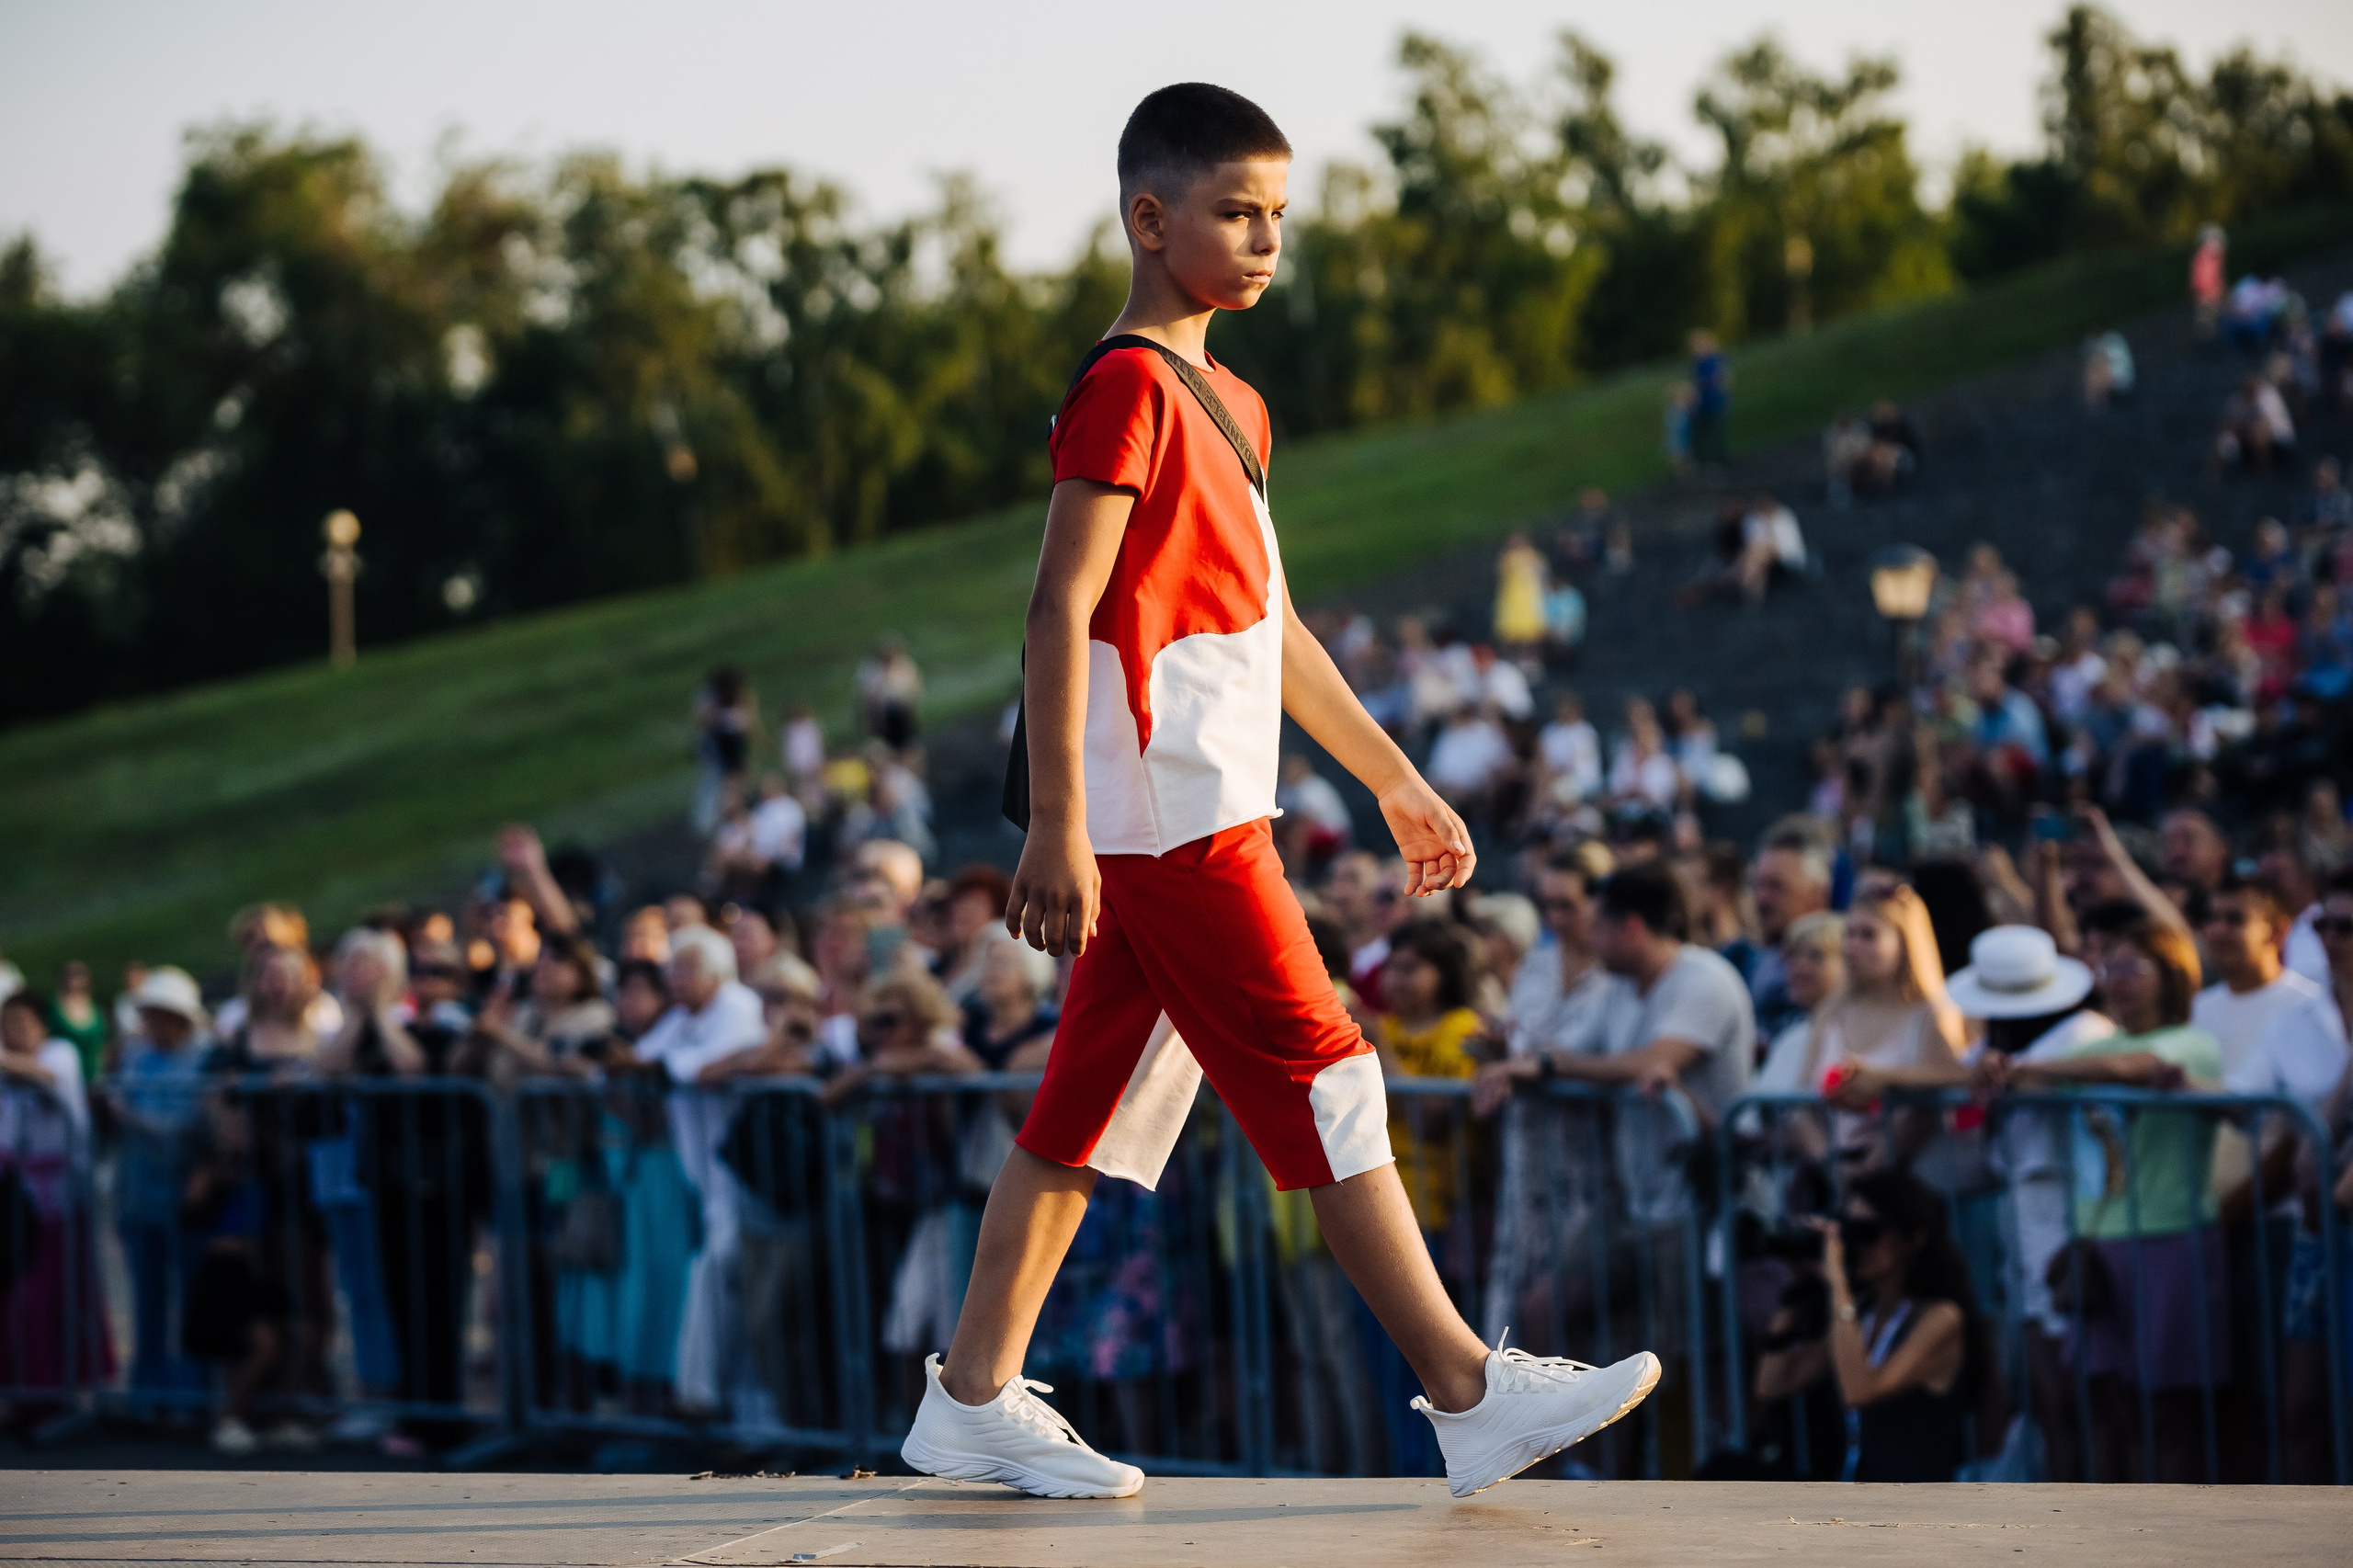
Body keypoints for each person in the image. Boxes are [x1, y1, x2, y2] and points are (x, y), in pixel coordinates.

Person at [899, 83, 1656, 1505]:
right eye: (1237, 212)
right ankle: (1470, 1389)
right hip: (1169, 815)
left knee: (1089, 1109)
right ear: (1149, 218)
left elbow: (1277, 628)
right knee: (1330, 1070)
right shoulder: (1126, 385)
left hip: (1193, 808)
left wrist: (1396, 778)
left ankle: (971, 1399)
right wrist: (1061, 821)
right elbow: (1056, 609)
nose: (1264, 241)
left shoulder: (1233, 399)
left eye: (1278, 218)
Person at [1987, 916, 2226, 1483]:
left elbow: (2135, 1068)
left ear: (2170, 977)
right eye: (2109, 968)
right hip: (2101, 1244)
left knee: (2167, 1414)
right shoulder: (2095, 1044)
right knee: (2112, 1409)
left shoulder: (2191, 1043)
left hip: (2169, 1237)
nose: (2117, 981)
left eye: (2131, 968)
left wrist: (2023, 1067)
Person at [1753, 1168, 1988, 1483]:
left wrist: (1837, 1282)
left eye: (1868, 1232)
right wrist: (1796, 1289)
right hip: (1859, 1499)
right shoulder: (1862, 1312)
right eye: (1850, 1231)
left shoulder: (1942, 1318)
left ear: (1913, 1239)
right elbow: (1773, 1383)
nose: (1855, 1245)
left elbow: (1860, 1391)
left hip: (1917, 1504)